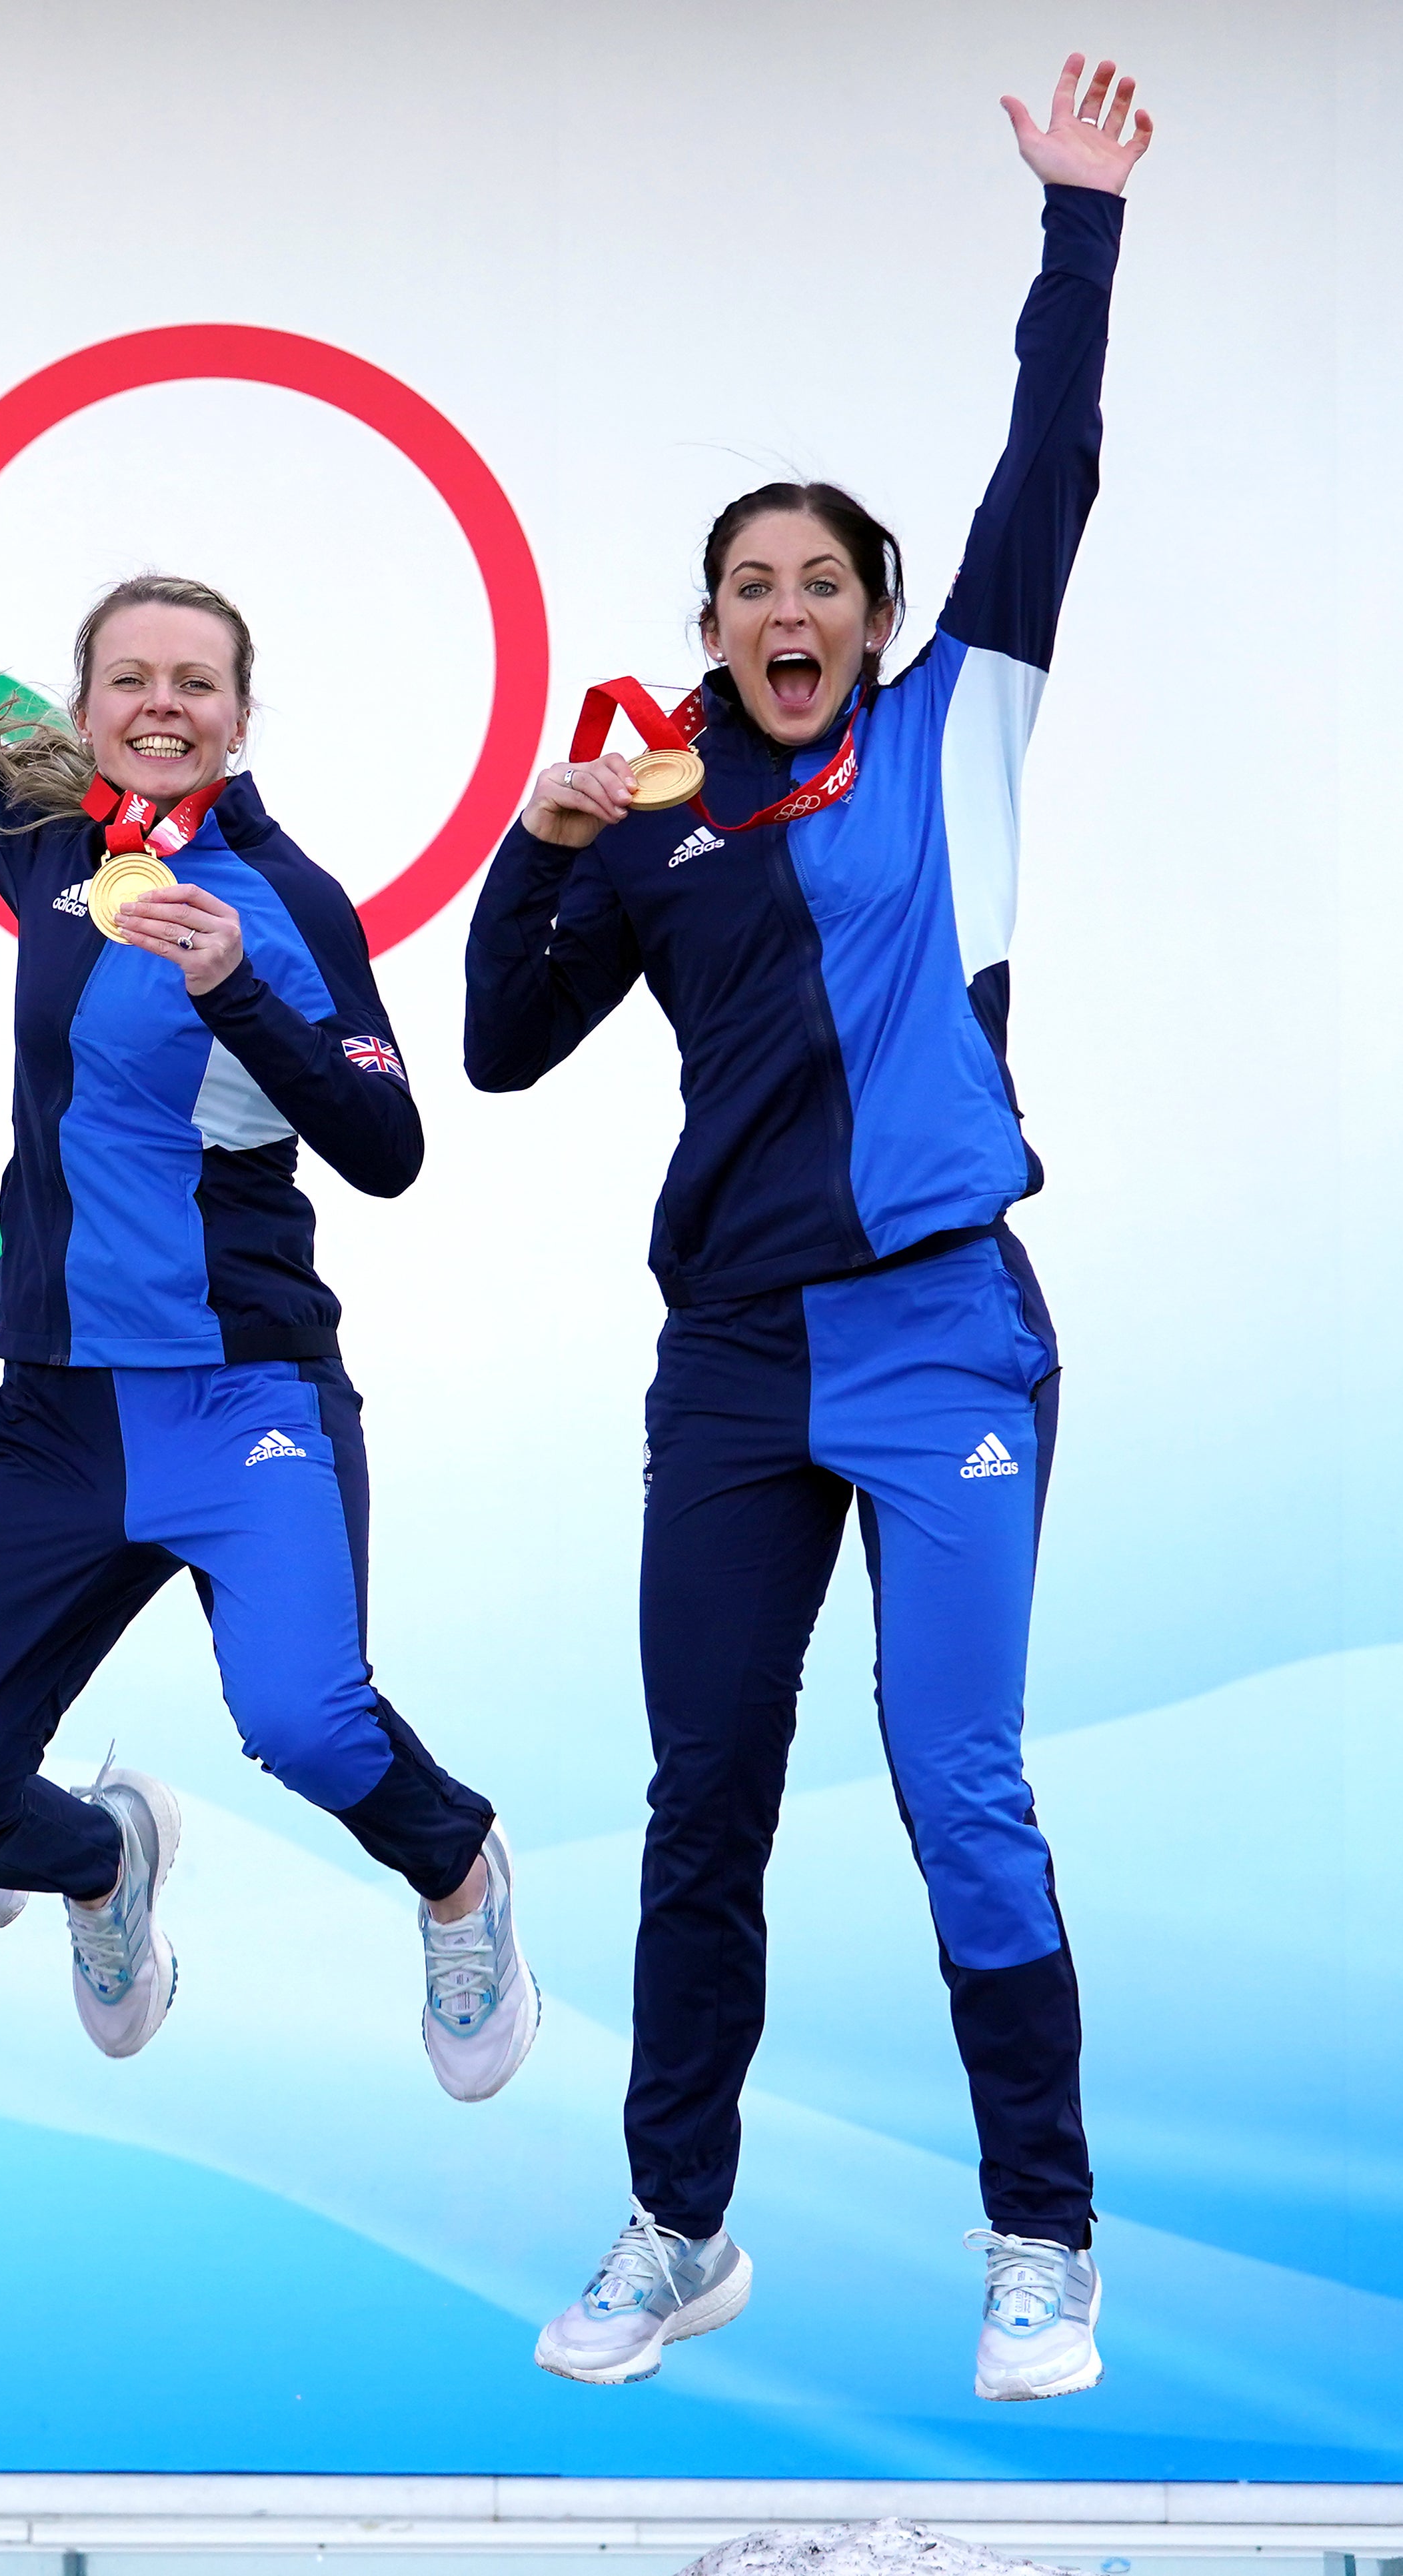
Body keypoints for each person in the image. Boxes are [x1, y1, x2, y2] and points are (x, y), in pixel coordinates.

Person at [467, 59, 1148, 2401]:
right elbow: (496, 1044)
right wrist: (543, 845)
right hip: (735, 1364)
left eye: (822, 584)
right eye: (749, 588)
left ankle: (1042, 2235)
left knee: (962, 1777)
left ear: (872, 615)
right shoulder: (659, 820)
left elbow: (1045, 476)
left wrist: (1076, 234)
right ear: (715, 626)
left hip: (948, 1334)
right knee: (704, 1804)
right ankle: (678, 2223)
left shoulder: (961, 724)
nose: (788, 612)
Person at [0, 377, 536, 2096]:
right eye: (126, 678)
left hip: (241, 1396)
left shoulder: (286, 903)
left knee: (301, 1721)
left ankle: (453, 1869)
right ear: (83, 704)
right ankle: (107, 1862)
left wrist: (238, 995)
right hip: (58, 1410)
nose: (157, 705)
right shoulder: (52, 843)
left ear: (237, 712)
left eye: (189, 682)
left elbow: (387, 1143)